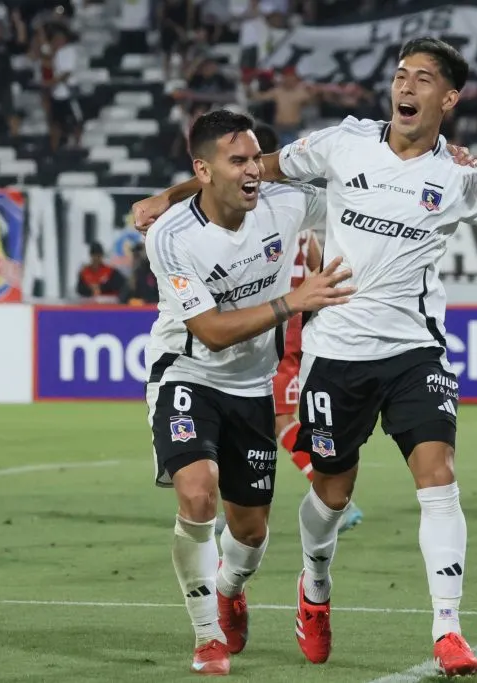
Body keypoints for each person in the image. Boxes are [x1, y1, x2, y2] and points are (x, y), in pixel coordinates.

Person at [135, 37, 477, 676]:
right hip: (335, 353)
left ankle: (448, 628)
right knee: (330, 494)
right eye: (400, 75)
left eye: (423, 79)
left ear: (448, 98)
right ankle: (314, 584)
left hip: (416, 348)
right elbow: (252, 168)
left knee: (439, 473)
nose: (406, 87)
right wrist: (168, 198)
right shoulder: (342, 144)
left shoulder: (460, 176)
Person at [143, 109, 354, 676]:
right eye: (237, 162)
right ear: (204, 170)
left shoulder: (284, 204)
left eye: (256, 159)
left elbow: (359, 191)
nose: (254, 171)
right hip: (186, 373)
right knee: (196, 494)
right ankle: (208, 635)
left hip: (251, 386)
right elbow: (209, 332)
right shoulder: (171, 237)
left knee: (251, 531)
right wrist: (295, 300)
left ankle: (231, 585)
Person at [208, 123, 365, 536]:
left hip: (277, 328)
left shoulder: (267, 219)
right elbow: (318, 264)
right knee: (258, 415)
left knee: (277, 418)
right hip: (288, 326)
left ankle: (323, 489)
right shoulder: (297, 223)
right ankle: (243, 501)